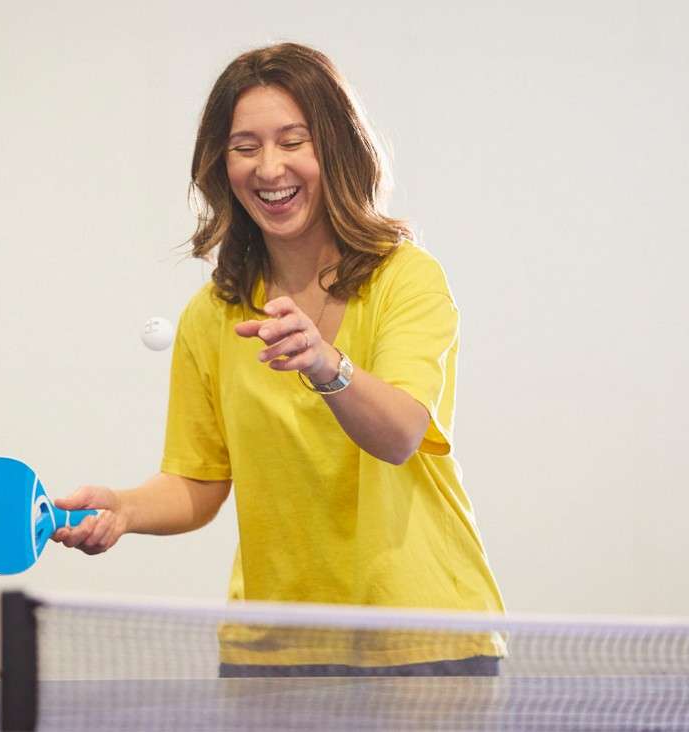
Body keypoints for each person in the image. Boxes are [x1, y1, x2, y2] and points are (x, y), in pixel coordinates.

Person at [52, 42, 505, 676]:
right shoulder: (213, 315)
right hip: (271, 652)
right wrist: (124, 510)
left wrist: (327, 365)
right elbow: (199, 482)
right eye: (245, 147)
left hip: (421, 640)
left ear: (338, 149)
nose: (270, 168)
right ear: (222, 165)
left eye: (294, 141)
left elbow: (402, 433)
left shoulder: (407, 279)